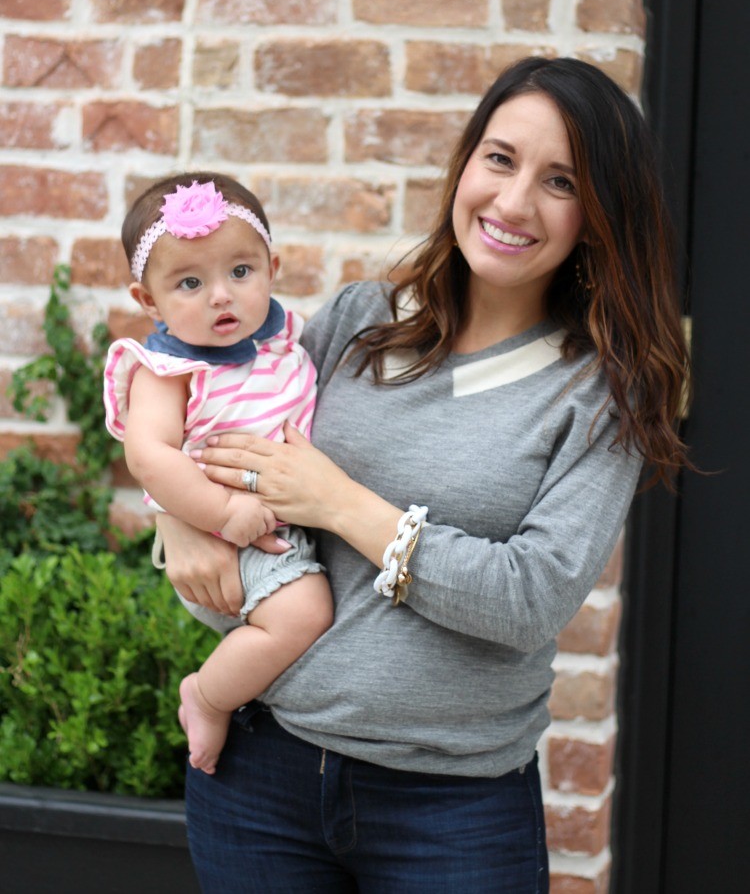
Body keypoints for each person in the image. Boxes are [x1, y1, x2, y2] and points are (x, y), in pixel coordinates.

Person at [157, 57, 691, 892]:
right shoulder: (361, 318)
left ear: (596, 215)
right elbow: (208, 424)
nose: (513, 203)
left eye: (560, 181)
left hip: (452, 813)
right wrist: (177, 516)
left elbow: (528, 598)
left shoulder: (597, 394)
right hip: (260, 779)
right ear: (467, 164)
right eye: (501, 159)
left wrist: (339, 500)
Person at [103, 173, 333, 775]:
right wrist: (224, 514)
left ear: (271, 267)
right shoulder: (167, 368)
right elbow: (148, 455)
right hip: (229, 529)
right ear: (148, 301)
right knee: (304, 615)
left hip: (288, 518)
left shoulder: (285, 335)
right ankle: (207, 696)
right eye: (189, 283)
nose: (221, 296)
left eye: (240, 272)